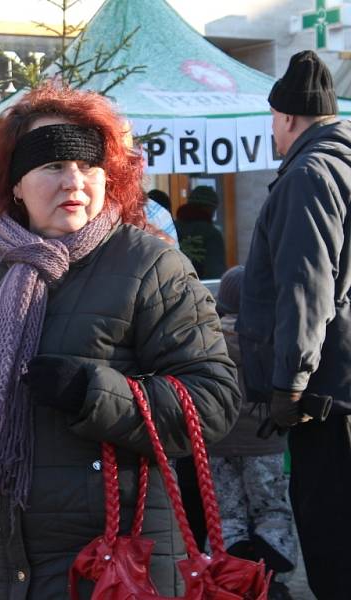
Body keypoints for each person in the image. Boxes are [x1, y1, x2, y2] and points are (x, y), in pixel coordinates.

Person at [0, 84, 241, 599]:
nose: (74, 180)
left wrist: (93, 392)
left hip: (116, 568)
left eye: (89, 165)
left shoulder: (150, 266)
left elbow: (213, 404)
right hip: (4, 567)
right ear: (16, 185)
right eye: (53, 165)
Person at [238, 49, 351, 599]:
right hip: (344, 383)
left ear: (285, 118)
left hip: (328, 396)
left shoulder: (310, 171)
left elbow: (307, 288)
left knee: (333, 544)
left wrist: (289, 384)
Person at [208, 266, 296, 600]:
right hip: (266, 442)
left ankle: (232, 577)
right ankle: (272, 579)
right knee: (271, 507)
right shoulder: (273, 338)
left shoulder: (209, 338)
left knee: (226, 510)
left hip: (219, 441)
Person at [175, 185, 226, 279]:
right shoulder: (212, 234)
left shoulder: (172, 228)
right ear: (209, 208)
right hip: (201, 289)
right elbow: (215, 274)